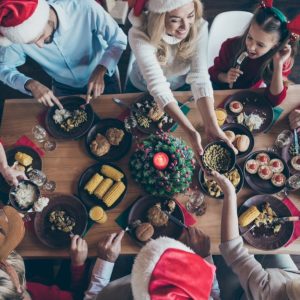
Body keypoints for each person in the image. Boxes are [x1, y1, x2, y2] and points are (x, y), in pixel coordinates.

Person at [126, 0, 234, 162]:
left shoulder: (199, 27)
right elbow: (158, 87)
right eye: (175, 20)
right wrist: (191, 132)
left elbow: (200, 78)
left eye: (190, 15)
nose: (185, 27)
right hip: (140, 85)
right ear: (159, 18)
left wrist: (211, 124)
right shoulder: (138, 34)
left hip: (179, 87)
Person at [0, 0, 127, 108]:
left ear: (46, 16)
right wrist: (30, 84)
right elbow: (3, 68)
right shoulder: (16, 35)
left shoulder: (85, 7)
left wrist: (101, 69)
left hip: (103, 76)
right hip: (63, 87)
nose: (40, 45)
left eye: (40, 36)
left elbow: (119, 39)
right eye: (30, 43)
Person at [210, 171, 300, 300]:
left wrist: (229, 193)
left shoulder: (270, 291)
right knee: (270, 246)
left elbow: (233, 251)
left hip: (247, 294)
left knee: (220, 256)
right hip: (289, 276)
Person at [84, 228, 221, 299]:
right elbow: (215, 296)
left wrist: (105, 261)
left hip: (119, 286)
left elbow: (93, 298)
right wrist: (202, 257)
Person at [209, 0, 300, 107]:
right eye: (250, 37)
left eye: (260, 45)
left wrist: (278, 64)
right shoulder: (230, 46)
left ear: (275, 45)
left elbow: (274, 101)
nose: (251, 47)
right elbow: (213, 73)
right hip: (221, 95)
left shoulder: (281, 60)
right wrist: (225, 77)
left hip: (250, 99)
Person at [0, 206, 89, 300]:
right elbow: (77, 296)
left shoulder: (10, 288)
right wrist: (78, 264)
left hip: (37, 280)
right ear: (19, 289)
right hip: (58, 288)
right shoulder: (55, 297)